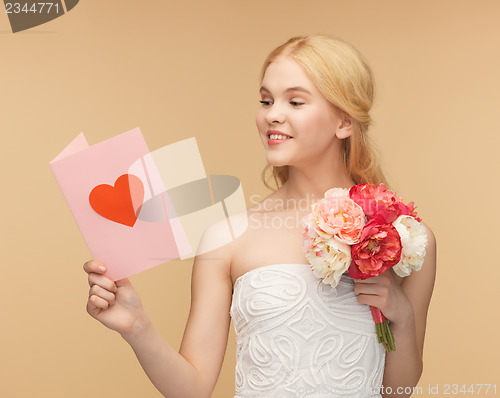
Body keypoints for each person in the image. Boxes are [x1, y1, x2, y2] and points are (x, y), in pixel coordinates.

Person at [84, 34, 436, 398]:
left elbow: (398, 391)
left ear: (344, 122)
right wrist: (136, 326)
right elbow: (193, 389)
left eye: (295, 101)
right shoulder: (227, 236)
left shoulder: (403, 238)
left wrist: (403, 316)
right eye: (266, 100)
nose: (272, 115)